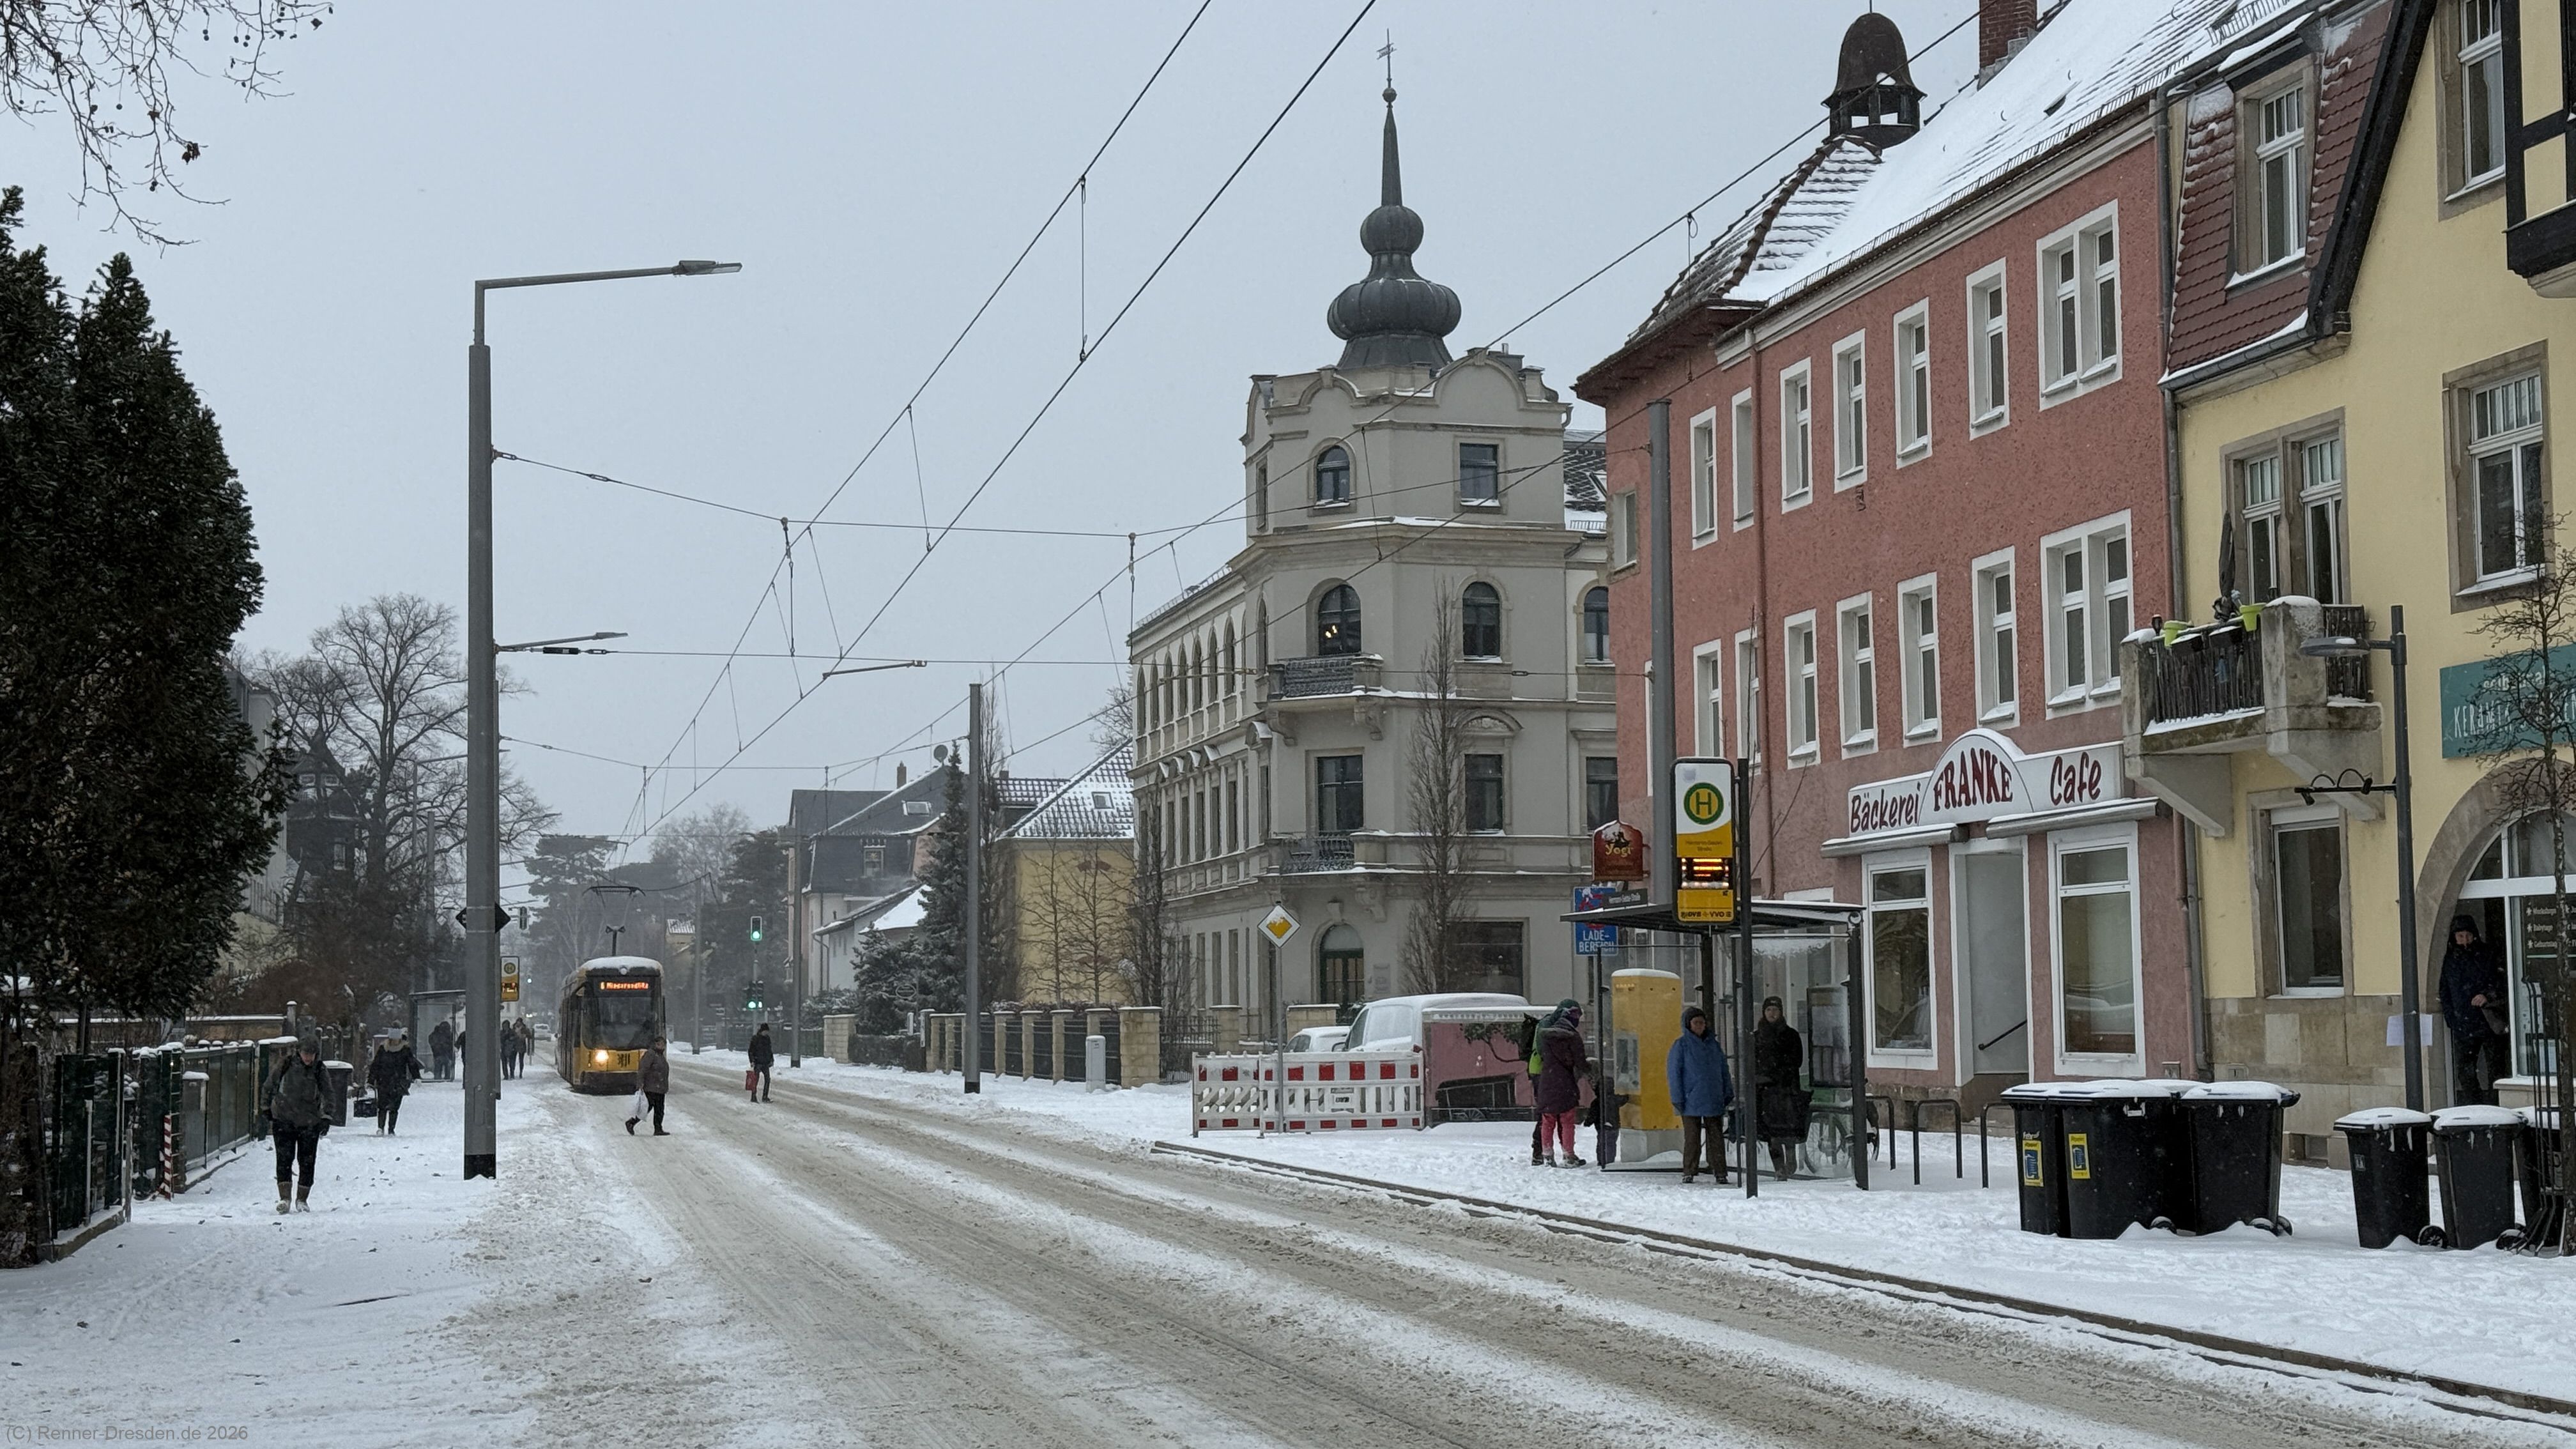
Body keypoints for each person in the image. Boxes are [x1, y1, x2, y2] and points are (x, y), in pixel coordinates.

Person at [2441, 915, 2510, 1106]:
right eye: (2460, 936)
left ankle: (2496, 1106)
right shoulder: (2450, 960)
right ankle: (2475, 1106)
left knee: (2496, 1069)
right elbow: (2445, 991)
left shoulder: (2487, 955)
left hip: (2488, 1020)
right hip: (2463, 1023)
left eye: (2468, 935)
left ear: (2475, 935)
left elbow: (2501, 982)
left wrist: (2487, 995)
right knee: (2465, 1071)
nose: (2465, 940)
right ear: (2454, 937)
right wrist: (2452, 1019)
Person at [1666, 1004, 1735, 1184]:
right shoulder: (1681, 1045)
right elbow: (1674, 1074)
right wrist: (1677, 1098)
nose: (1699, 1026)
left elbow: (1724, 1070)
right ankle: (1689, 1170)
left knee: (1716, 1138)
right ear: (1688, 1024)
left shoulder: (1714, 1046)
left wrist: (1728, 1092)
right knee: (1692, 1138)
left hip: (1712, 1097)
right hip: (1691, 1099)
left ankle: (1720, 1172)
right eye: (1696, 1023)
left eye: (1702, 1023)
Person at [268, 1031, 334, 1213]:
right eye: (306, 1053)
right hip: (284, 1119)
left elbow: (328, 1093)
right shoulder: (286, 1064)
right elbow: (270, 1085)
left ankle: (302, 1199)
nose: (308, 1058)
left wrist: (327, 1116)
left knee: (307, 1162)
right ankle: (285, 1198)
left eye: (312, 1054)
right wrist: (266, 1108)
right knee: (284, 1159)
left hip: (310, 1122)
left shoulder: (319, 1069)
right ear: (299, 1052)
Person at [1752, 996, 1805, 1179]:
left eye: (1775, 1010)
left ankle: (1790, 1159)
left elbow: (1797, 1060)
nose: (1772, 1013)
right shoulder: (1757, 1037)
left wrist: (1777, 1072)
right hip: (1765, 1092)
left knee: (1788, 1130)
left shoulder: (1791, 1035)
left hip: (1786, 1090)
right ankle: (1779, 1169)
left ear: (1781, 1012)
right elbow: (1751, 1063)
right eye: (1768, 1010)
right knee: (1771, 1133)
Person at [1535, 1004, 1592, 1168]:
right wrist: (1589, 1068)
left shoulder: (1545, 1036)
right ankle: (1569, 1156)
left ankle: (1547, 1156)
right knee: (1567, 1120)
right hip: (1566, 1082)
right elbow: (1580, 1062)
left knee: (1548, 1120)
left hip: (1548, 1081)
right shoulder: (1573, 1037)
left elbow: (1542, 1055)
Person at [367, 1031, 422, 1135]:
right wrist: (371, 1080)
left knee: (395, 1107)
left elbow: (412, 1064)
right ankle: (381, 1128)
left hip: (398, 1082)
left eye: (397, 1039)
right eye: (393, 1039)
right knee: (382, 1106)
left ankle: (391, 1129)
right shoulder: (383, 1049)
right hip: (384, 1081)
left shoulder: (405, 1050)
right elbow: (376, 1065)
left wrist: (416, 1077)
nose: (395, 1041)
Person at [629, 1034, 671, 1135]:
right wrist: (640, 1083)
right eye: (659, 1044)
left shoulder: (660, 1056)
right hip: (651, 1087)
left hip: (660, 1088)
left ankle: (658, 1129)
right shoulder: (651, 1054)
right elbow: (643, 1069)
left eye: (663, 1044)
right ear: (655, 1044)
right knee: (647, 1108)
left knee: (659, 1110)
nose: (662, 1046)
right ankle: (631, 1122)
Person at [747, 1022, 775, 1102]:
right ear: (762, 1031)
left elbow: (769, 1050)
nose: (766, 1033)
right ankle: (753, 1096)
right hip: (757, 1062)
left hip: (766, 1062)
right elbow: (751, 1051)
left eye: (767, 1031)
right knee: (755, 1080)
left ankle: (765, 1097)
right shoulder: (755, 1039)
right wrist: (752, 1061)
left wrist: (771, 1059)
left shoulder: (767, 1039)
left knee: (767, 1079)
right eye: (765, 1031)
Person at [429, 1017, 454, 1081]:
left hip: (438, 1054)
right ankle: (446, 1079)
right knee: (447, 1068)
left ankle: (438, 1079)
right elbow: (451, 1044)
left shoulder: (435, 1034)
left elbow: (432, 1042)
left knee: (438, 1068)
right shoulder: (447, 1035)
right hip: (444, 1054)